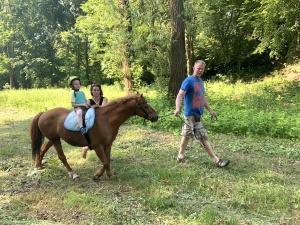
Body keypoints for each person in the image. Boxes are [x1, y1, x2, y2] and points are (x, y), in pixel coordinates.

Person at [173, 60, 230, 167]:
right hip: (191, 115)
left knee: (186, 135)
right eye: (198, 68)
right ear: (193, 68)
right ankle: (217, 160)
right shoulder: (188, 80)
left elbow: (202, 97)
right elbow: (180, 95)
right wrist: (177, 108)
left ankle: (180, 156)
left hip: (197, 114)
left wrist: (209, 110)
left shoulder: (200, 81)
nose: (200, 70)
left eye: (202, 69)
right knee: (202, 136)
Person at [82, 83, 108, 158]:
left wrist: (93, 106)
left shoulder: (104, 99)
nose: (96, 92)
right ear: (91, 91)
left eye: (97, 90)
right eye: (94, 90)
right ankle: (86, 146)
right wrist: (95, 106)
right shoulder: (89, 100)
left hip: (103, 119)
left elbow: (103, 107)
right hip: (93, 120)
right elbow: (87, 108)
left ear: (100, 91)